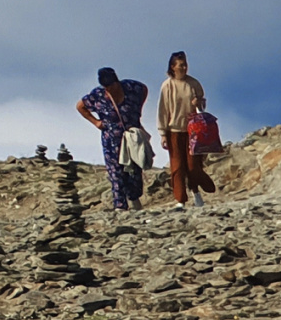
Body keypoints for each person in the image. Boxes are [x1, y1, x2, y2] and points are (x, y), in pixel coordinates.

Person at [76, 67, 149, 210]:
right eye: (106, 87)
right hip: (111, 140)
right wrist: (96, 122)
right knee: (116, 173)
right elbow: (80, 106)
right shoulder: (97, 95)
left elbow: (144, 90)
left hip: (131, 138)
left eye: (111, 86)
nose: (109, 90)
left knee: (134, 171)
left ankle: (133, 198)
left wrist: (137, 110)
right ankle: (120, 207)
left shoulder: (132, 87)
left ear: (117, 82)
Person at [158, 51, 216, 210]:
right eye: (180, 65)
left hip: (193, 129)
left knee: (192, 165)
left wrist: (198, 102)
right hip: (174, 130)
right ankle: (180, 200)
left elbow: (202, 105)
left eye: (185, 65)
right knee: (177, 166)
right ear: (173, 67)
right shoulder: (167, 86)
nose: (184, 68)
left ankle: (197, 191)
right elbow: (163, 110)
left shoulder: (194, 83)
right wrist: (163, 132)